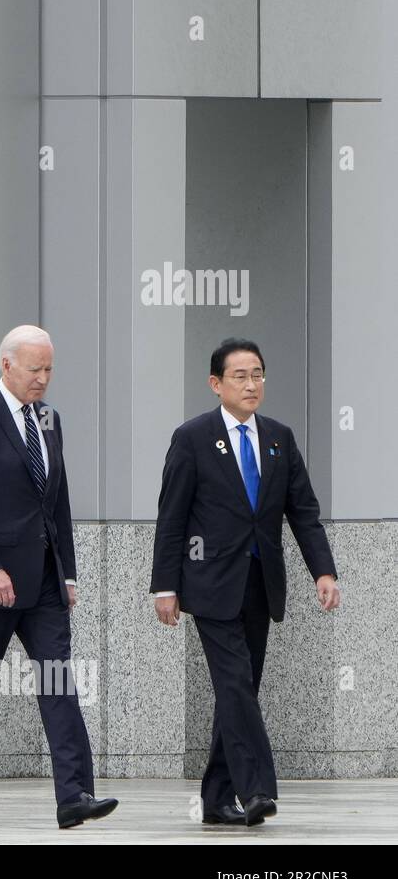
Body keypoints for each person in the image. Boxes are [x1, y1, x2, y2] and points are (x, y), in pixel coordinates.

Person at [151, 338, 340, 826]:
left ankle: (215, 799)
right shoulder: (192, 438)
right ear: (216, 384)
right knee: (235, 684)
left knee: (241, 689)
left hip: (261, 583)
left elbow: (304, 512)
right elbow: (171, 517)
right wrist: (164, 586)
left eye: (257, 373)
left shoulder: (279, 437)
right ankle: (256, 789)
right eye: (240, 375)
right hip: (210, 585)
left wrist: (323, 570)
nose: (251, 384)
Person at [0, 325, 115, 829]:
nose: (43, 379)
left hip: (44, 583)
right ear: (7, 365)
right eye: (34, 368)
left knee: (60, 681)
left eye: (49, 369)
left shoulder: (49, 419)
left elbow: (57, 500)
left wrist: (70, 573)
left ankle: (75, 794)